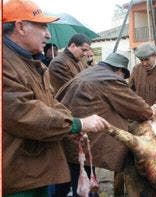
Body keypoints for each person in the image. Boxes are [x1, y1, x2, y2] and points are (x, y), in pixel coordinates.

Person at [3, 0, 109, 196]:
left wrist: (71, 125)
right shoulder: (5, 63)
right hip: (16, 174)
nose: (48, 34)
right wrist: (76, 124)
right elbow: (22, 112)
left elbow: (52, 102)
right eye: (42, 26)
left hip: (37, 166)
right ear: (20, 26)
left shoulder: (34, 64)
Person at [54, 53, 153, 197]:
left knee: (69, 182)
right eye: (122, 76)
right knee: (85, 186)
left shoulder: (87, 73)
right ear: (119, 71)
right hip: (85, 142)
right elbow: (139, 108)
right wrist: (149, 112)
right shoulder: (109, 79)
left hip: (68, 136)